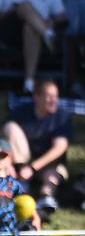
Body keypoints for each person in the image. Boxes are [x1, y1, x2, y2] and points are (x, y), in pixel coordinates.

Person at [3, 79, 73, 211]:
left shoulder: (62, 117)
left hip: (50, 166)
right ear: (37, 97)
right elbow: (4, 140)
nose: (54, 100)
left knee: (52, 175)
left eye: (56, 96)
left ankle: (46, 200)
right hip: (21, 163)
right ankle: (20, 186)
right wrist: (9, 163)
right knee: (10, 127)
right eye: (49, 96)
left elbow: (60, 148)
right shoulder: (21, 113)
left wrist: (32, 168)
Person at [0, 0, 68, 93]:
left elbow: (62, 17)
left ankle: (29, 83)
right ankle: (47, 34)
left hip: (37, 37)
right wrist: (12, 10)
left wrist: (53, 22)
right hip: (11, 35)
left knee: (30, 28)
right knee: (25, 5)